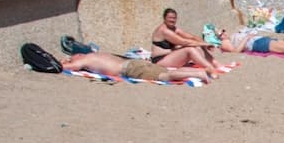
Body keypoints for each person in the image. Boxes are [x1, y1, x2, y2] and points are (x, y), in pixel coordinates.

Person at [61, 49, 213, 83]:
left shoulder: (85, 59)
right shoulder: (100, 54)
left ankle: (199, 74)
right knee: (168, 71)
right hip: (137, 63)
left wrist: (64, 64)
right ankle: (202, 71)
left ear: (78, 55)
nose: (70, 59)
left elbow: (71, 67)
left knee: (165, 76)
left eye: (70, 57)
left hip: (130, 68)